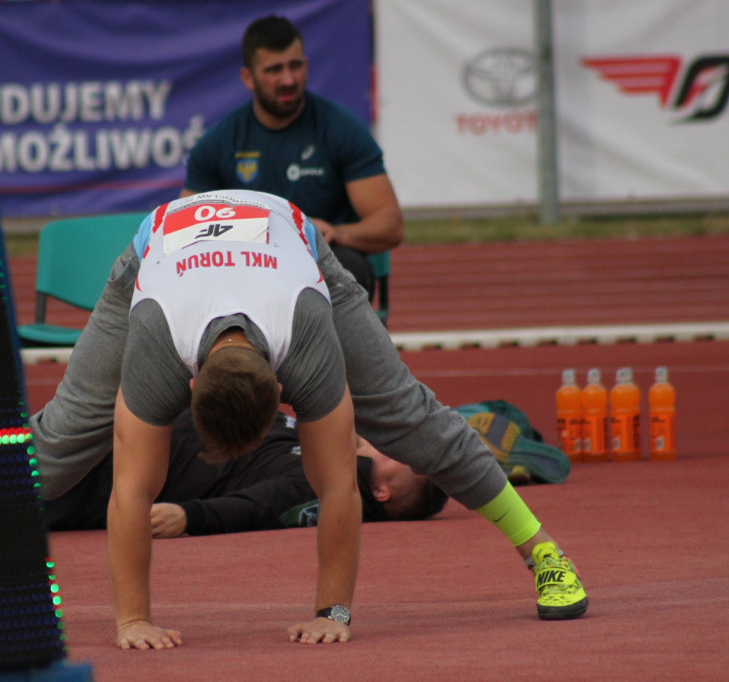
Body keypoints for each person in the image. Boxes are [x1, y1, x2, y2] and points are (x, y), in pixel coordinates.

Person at [29, 189, 588, 651]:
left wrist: (333, 611)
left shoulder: (307, 339)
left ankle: (543, 554)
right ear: (190, 386)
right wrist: (132, 621)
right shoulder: (155, 344)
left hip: (291, 247)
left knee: (409, 418)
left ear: (282, 390)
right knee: (63, 440)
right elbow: (130, 493)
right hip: (159, 250)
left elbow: (339, 486)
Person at [181, 15, 404, 300]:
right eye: (274, 69)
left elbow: (390, 224)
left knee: (348, 269)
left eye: (295, 65)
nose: (288, 79)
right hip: (247, 265)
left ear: (306, 66)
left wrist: (336, 233)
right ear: (247, 78)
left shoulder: (341, 130)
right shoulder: (217, 144)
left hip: (324, 262)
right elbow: (186, 229)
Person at [42, 409, 448, 536]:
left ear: (380, 491)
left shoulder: (328, 486)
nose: (402, 449)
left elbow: (258, 508)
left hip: (102, 475)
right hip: (123, 429)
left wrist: (188, 517)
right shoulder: (330, 441)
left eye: (408, 462)